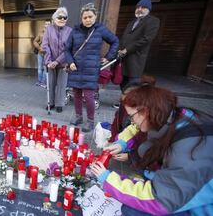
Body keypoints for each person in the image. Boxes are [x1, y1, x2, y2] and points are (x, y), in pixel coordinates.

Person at [91, 83, 213, 215]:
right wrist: (123, 144)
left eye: (131, 116)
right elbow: (138, 133)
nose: (132, 122)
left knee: (132, 210)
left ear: (145, 112)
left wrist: (108, 180)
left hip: (199, 209)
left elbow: (158, 200)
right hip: (180, 190)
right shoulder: (172, 117)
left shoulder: (188, 152)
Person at [65, 3, 119, 132]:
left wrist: (109, 57)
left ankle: (90, 121)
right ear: (81, 18)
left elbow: (115, 41)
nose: (88, 19)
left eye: (90, 16)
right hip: (75, 68)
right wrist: (71, 62)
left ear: (95, 16)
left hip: (91, 68)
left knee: (89, 96)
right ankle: (78, 117)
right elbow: (67, 49)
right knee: (76, 94)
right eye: (85, 17)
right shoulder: (75, 31)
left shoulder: (100, 30)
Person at [117, 0, 160, 95]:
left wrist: (127, 49)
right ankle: (124, 101)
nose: (140, 9)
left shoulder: (153, 21)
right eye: (138, 7)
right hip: (124, 57)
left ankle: (130, 103)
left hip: (136, 58)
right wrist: (120, 49)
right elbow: (124, 38)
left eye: (143, 7)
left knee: (133, 83)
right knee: (122, 81)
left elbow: (146, 39)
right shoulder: (132, 22)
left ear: (148, 9)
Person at [42, 7, 72, 113]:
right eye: (60, 17)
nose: (62, 19)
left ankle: (60, 104)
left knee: (62, 84)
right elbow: (45, 46)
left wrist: (57, 61)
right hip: (50, 63)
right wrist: (49, 61)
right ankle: (51, 103)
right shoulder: (49, 29)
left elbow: (68, 48)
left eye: (65, 17)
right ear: (54, 18)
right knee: (50, 83)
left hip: (63, 62)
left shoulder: (69, 31)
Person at [33, 19, 51, 88]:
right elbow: (34, 41)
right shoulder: (40, 33)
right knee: (40, 67)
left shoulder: (52, 33)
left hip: (47, 54)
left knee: (45, 67)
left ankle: (43, 82)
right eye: (46, 24)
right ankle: (39, 81)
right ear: (44, 25)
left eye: (48, 24)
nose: (47, 25)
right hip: (40, 53)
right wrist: (39, 48)